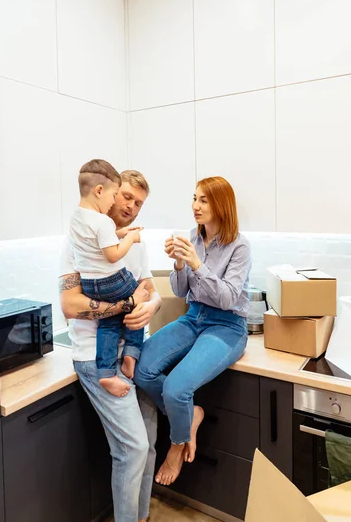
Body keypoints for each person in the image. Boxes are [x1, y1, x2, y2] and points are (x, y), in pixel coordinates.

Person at [134, 176, 251, 486]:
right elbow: (181, 290)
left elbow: (227, 297)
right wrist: (178, 265)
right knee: (142, 369)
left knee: (175, 388)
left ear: (221, 205)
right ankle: (190, 416)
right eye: (194, 198)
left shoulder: (239, 246)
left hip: (226, 326)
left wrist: (197, 264)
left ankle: (176, 445)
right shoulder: (192, 237)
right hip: (194, 317)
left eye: (203, 200)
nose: (195, 206)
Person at [59, 170, 161, 522]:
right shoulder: (79, 241)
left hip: (133, 355)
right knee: (133, 449)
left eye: (139, 204)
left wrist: (151, 305)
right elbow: (70, 306)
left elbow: (149, 287)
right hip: (94, 358)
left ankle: (142, 516)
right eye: (127, 197)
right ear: (110, 193)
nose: (131, 207)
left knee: (147, 447)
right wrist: (129, 304)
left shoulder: (134, 242)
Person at [69, 159, 144, 397]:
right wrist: (130, 239)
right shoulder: (102, 222)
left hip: (92, 286)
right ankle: (132, 354)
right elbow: (112, 254)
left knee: (110, 322)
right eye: (120, 196)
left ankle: (107, 373)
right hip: (111, 282)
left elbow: (100, 240)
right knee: (137, 299)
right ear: (100, 191)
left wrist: (122, 233)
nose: (130, 206)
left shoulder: (77, 218)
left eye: (139, 203)